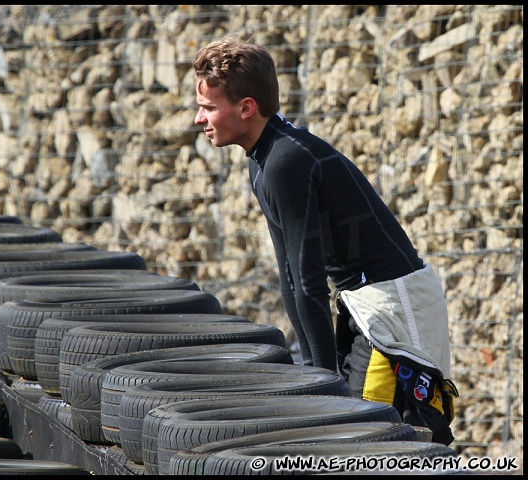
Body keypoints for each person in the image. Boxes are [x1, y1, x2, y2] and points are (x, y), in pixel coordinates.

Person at [193, 35, 458, 445]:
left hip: (394, 307)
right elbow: (289, 277)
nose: (199, 119)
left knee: (382, 439)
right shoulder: (262, 160)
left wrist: (321, 389)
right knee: (350, 428)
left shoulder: (286, 161)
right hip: (362, 303)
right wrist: (315, 379)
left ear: (246, 108)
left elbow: (308, 280)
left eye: (208, 107)